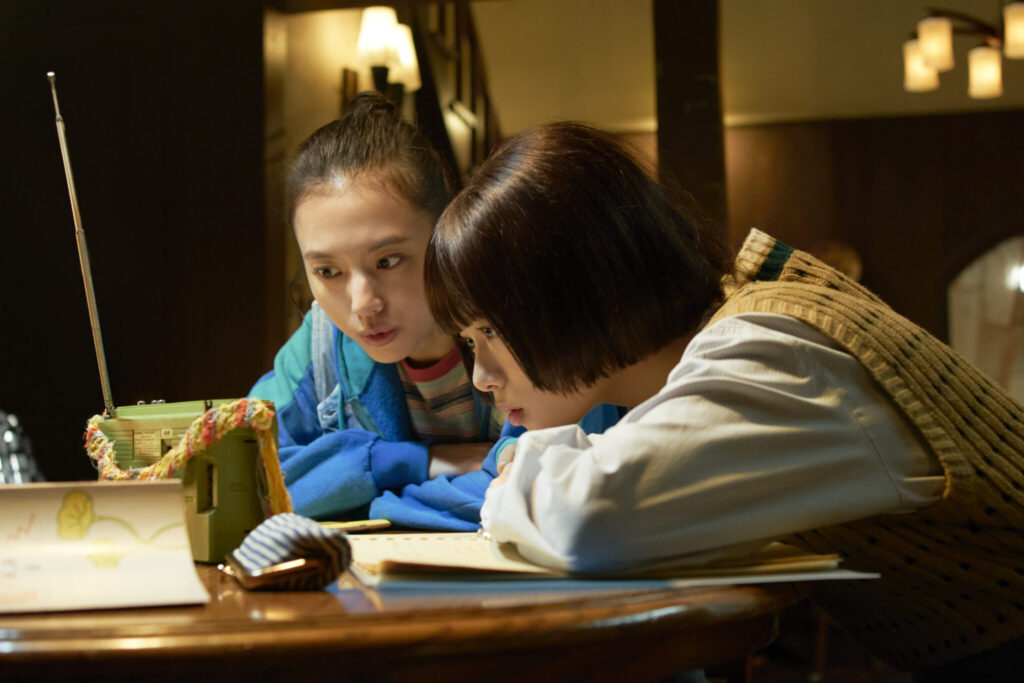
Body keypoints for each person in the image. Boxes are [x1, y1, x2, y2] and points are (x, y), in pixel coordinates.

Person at [424, 121, 1024, 677]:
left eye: (490, 330)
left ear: (575, 294)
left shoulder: (772, 353)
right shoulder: (739, 336)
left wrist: (511, 481)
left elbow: (589, 520)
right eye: (470, 341)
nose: (482, 376)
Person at [249, 92, 506, 521]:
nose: (362, 304)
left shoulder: (519, 330)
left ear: (445, 232)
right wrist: (417, 462)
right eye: (327, 271)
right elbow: (246, 473)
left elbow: (545, 485)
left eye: (388, 261)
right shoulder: (321, 344)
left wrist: (360, 494)